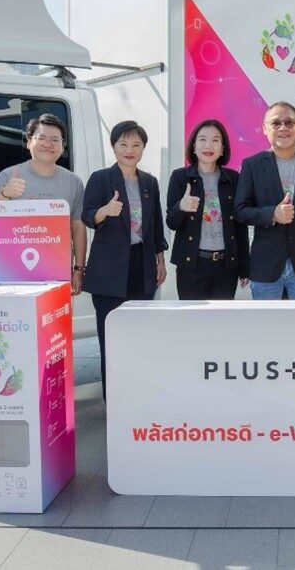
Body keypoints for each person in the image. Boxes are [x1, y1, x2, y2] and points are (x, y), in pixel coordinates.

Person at [81, 120, 167, 400]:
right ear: (114, 146)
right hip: (109, 271)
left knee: (139, 337)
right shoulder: (100, 179)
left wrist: (160, 259)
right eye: (123, 144)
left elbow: (155, 225)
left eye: (136, 145)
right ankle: (114, 401)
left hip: (142, 266)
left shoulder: (149, 182)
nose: (129, 150)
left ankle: (139, 396)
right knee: (111, 338)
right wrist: (104, 211)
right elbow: (87, 216)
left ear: (143, 148)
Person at [237, 101, 295, 299]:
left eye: (289, 122)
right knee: (266, 320)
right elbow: (240, 211)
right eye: (276, 123)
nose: (283, 128)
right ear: (265, 129)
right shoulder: (252, 165)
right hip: (266, 265)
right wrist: (272, 214)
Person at [0, 113, 87, 294]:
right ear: (28, 142)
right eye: (41, 138)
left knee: (57, 312)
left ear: (62, 146)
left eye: (55, 140)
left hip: (58, 271)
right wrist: (5, 194)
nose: (48, 144)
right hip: (14, 271)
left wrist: (79, 268)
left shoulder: (74, 182)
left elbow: (78, 227)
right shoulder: (8, 175)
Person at [166, 119, 250, 299]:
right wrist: (181, 207)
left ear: (222, 148)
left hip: (226, 267)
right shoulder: (180, 177)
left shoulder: (233, 179)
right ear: (194, 146)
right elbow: (171, 222)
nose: (208, 146)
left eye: (215, 140)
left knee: (221, 316)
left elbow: (240, 227)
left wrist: (245, 267)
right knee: (193, 315)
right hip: (192, 265)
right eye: (202, 139)